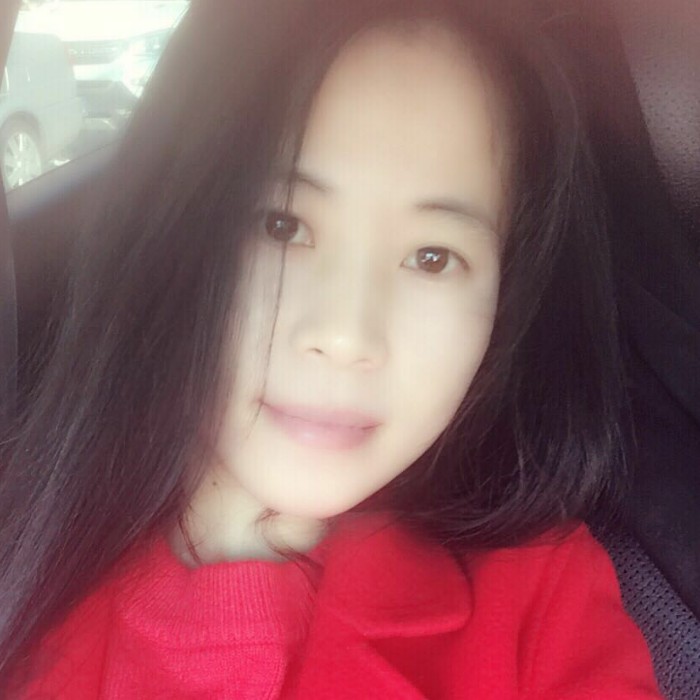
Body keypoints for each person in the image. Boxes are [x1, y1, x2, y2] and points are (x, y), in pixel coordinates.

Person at [0, 0, 662, 697]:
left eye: (433, 258)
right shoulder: (24, 537)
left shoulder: (542, 609)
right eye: (282, 226)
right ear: (170, 226)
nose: (347, 336)